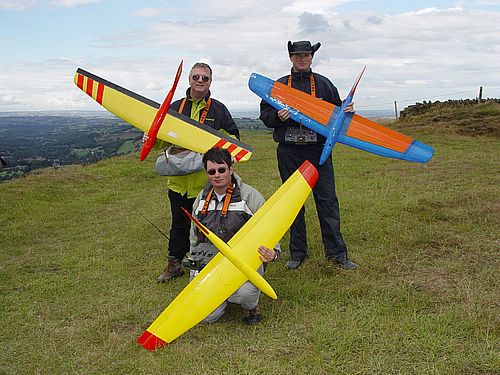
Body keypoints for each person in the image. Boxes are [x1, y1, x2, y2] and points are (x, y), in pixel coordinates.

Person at [259, 40, 357, 270]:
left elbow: (338, 115)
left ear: (312, 57)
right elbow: (265, 115)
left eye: (306, 55)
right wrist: (278, 117)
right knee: (292, 204)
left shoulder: (324, 84)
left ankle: (337, 255)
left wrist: (348, 111)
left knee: (327, 202)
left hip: (318, 151)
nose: (302, 58)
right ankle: (297, 253)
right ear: (290, 58)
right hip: (289, 151)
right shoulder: (280, 86)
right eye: (297, 55)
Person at [155, 62, 241, 282]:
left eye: (205, 78)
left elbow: (234, 137)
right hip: (178, 182)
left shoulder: (218, 109)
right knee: (178, 224)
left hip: (206, 182)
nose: (200, 81)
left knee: (206, 225)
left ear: (210, 81)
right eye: (196, 77)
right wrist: (150, 139)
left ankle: (208, 265)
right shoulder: (176, 107)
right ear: (189, 80)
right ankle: (174, 263)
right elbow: (161, 139)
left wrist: (229, 159)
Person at [187, 147, 280, 324]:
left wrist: (274, 253)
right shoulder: (201, 198)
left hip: (244, 262)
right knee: (207, 317)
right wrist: (194, 260)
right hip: (211, 262)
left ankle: (249, 305)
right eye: (211, 171)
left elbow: (270, 228)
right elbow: (194, 233)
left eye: (222, 170)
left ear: (231, 169)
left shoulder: (250, 196)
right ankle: (223, 296)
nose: (217, 175)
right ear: (206, 173)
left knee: (246, 294)